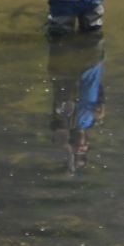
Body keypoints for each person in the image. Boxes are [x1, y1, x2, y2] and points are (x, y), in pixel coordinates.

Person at [47, 37, 106, 173]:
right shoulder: (95, 119)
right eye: (83, 154)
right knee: (92, 30)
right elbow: (99, 87)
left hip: (65, 68)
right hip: (92, 63)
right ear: (88, 147)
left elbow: (58, 131)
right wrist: (102, 103)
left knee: (61, 32)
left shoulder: (63, 125)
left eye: (77, 153)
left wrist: (69, 154)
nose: (80, 149)